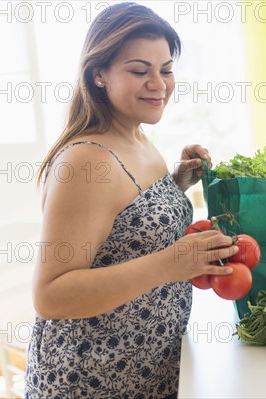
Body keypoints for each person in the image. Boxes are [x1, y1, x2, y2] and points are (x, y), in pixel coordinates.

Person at [26, 3, 237, 398]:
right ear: (99, 75)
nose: (158, 83)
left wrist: (176, 184)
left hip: (149, 368)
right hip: (94, 380)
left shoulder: (138, 136)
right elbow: (50, 295)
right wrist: (172, 262)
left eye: (166, 69)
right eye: (139, 71)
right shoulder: (85, 161)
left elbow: (124, 228)